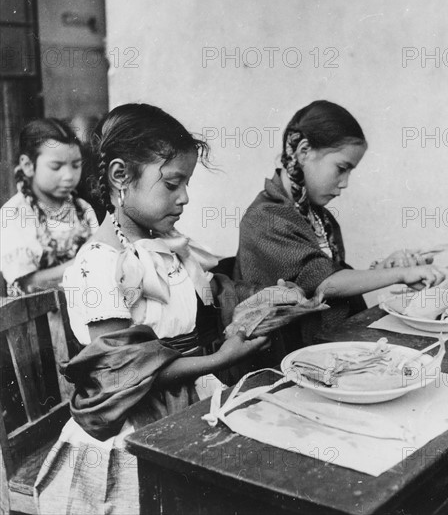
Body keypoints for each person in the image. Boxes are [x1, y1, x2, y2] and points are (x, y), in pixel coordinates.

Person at [33, 103, 300, 515]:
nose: (186, 197)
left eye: (187, 183)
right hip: (133, 431)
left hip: (187, 403)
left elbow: (200, 316)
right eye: (173, 183)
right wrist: (219, 359)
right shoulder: (99, 266)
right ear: (121, 176)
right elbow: (124, 370)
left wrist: (263, 307)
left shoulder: (168, 249)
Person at [234, 100, 444, 349]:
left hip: (330, 344)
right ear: (303, 151)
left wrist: (382, 270)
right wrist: (399, 274)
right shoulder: (266, 218)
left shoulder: (319, 217)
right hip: (285, 358)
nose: (344, 183)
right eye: (341, 168)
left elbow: (335, 275)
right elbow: (324, 284)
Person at [0, 119, 98, 295]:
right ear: (28, 165)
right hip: (41, 319)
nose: (69, 176)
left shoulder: (82, 209)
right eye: (56, 166)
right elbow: (27, 284)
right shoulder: (13, 214)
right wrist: (85, 260)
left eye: (76, 165)